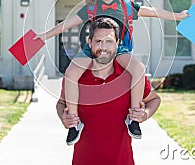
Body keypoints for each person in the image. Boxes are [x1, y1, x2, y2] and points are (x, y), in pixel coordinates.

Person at [36, 0, 188, 145]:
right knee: (71, 72)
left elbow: (154, 12)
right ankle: (74, 123)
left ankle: (133, 118)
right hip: (94, 47)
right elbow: (67, 23)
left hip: (120, 47)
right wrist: (45, 35)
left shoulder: (126, 7)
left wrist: (177, 16)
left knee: (138, 69)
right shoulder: (91, 8)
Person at [56, 17, 161, 165]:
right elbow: (61, 103)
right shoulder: (76, 77)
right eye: (98, 41)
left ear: (117, 43)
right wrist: (63, 117)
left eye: (109, 41)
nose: (103, 47)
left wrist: (144, 114)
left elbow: (154, 99)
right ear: (89, 42)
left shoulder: (130, 77)